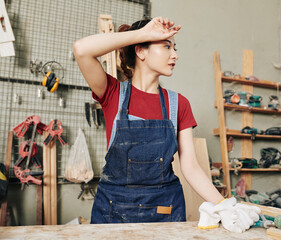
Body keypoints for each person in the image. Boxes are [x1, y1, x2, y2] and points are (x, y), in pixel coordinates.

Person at [73, 16, 259, 231]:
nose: (175, 55)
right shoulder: (113, 93)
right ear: (141, 51)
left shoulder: (178, 104)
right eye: (166, 46)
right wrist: (142, 34)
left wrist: (224, 205)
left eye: (174, 48)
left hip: (164, 207)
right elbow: (81, 49)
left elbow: (190, 166)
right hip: (114, 207)